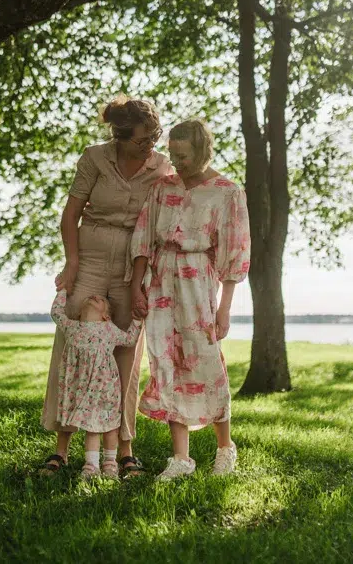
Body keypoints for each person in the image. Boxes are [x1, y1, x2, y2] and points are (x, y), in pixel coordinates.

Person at [39, 95, 171, 477]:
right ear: (120, 136)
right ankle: (61, 449)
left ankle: (124, 452)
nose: (150, 146)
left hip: (134, 266)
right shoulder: (94, 158)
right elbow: (70, 215)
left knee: (126, 360)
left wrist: (144, 281)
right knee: (73, 349)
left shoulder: (161, 167)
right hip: (91, 260)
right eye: (142, 140)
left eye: (154, 136)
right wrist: (73, 263)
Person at [129, 120, 251, 480]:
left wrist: (225, 309)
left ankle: (225, 448)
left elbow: (234, 255)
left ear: (201, 152)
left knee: (205, 361)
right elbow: (143, 238)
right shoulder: (162, 188)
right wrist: (138, 286)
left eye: (182, 155)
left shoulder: (226, 192)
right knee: (166, 361)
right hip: (161, 279)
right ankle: (181, 458)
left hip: (198, 281)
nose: (176, 162)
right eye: (172, 154)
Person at [49, 289, 143, 478]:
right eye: (91, 298)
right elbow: (56, 313)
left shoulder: (109, 328)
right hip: (84, 391)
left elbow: (130, 339)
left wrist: (138, 319)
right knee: (91, 428)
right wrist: (63, 291)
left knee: (110, 426)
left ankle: (110, 464)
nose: (96, 296)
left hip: (107, 387)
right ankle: (91, 466)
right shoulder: (72, 326)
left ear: (106, 316)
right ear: (79, 312)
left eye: (101, 300)